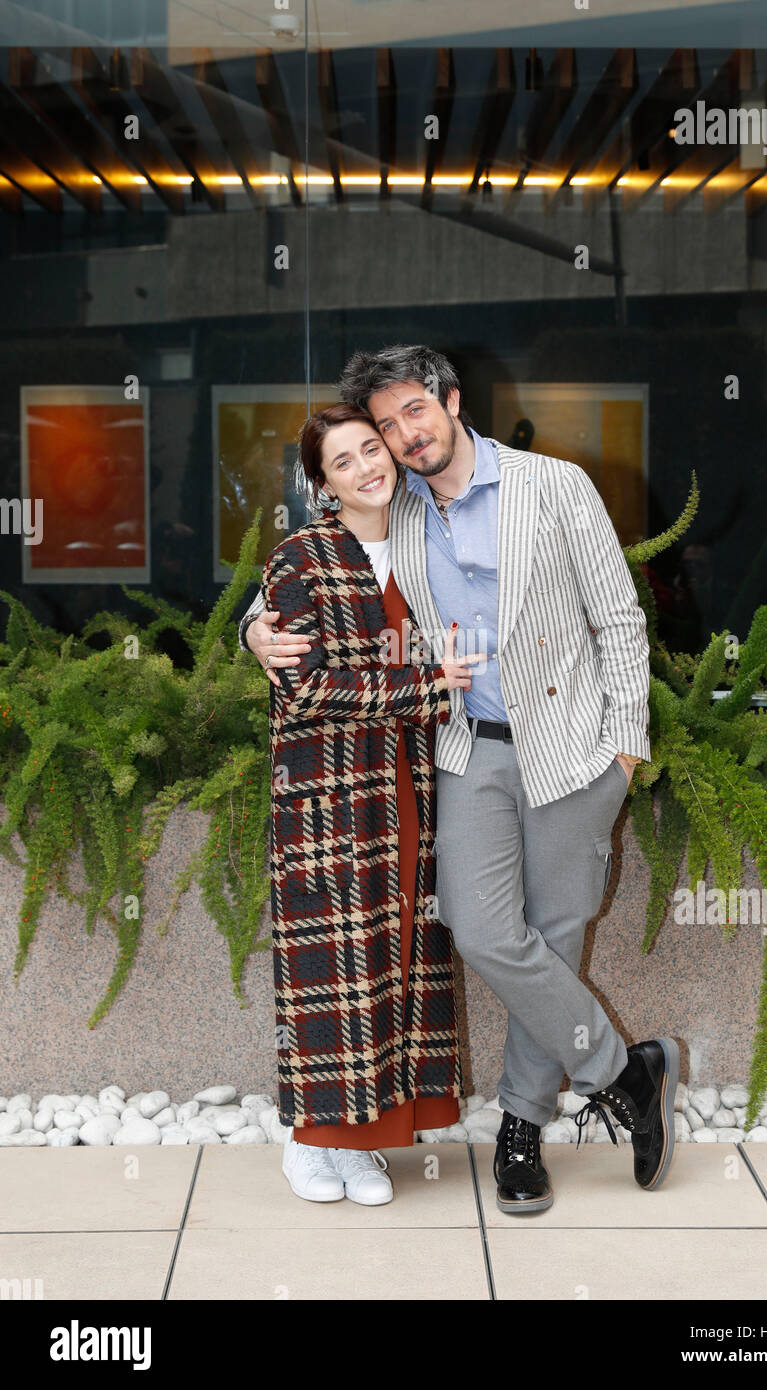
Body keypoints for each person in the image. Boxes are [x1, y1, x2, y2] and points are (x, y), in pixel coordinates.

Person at [242, 347, 681, 1215]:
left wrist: (624, 754)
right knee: (483, 933)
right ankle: (627, 1074)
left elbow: (619, 618)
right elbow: (327, 562)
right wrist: (256, 628)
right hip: (464, 747)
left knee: (552, 938)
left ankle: (520, 1132)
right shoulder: (396, 505)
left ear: (449, 401)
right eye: (386, 426)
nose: (402, 437)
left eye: (413, 413)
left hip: (572, 750)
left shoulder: (553, 486)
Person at [261, 402, 480, 1207]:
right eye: (342, 461)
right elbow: (306, 682)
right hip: (328, 797)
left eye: (369, 449)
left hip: (413, 788)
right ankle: (310, 1141)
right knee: (334, 970)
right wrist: (430, 687)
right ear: (321, 483)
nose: (365, 468)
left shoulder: (429, 542)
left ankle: (366, 1142)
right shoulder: (302, 557)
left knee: (395, 965)